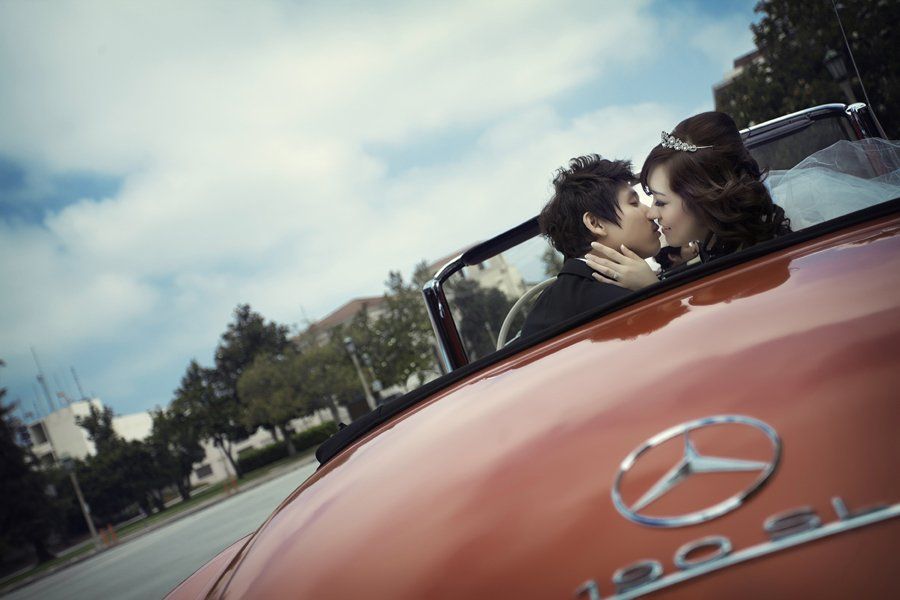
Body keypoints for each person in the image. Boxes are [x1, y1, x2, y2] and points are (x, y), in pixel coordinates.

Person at [584, 111, 791, 290]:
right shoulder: (718, 249)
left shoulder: (761, 260)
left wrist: (652, 290)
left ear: (703, 198)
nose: (652, 213)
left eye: (661, 202)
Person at [520, 155, 661, 338]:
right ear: (595, 223)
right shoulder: (616, 304)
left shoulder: (554, 300)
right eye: (634, 203)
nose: (650, 212)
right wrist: (656, 291)